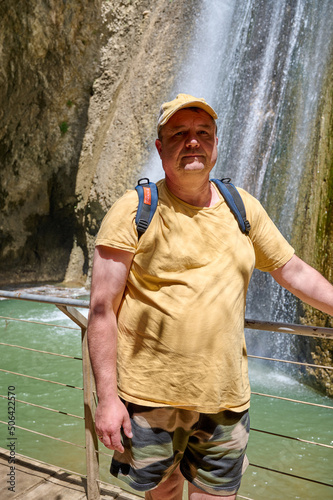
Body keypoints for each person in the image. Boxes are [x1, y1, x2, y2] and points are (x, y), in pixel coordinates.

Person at [87, 93, 333, 500]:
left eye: (203, 133)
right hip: (149, 399)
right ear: (160, 147)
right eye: (179, 133)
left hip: (225, 400)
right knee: (162, 493)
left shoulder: (243, 209)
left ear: (216, 143)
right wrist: (107, 400)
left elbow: (294, 271)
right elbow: (100, 311)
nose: (193, 142)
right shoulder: (135, 211)